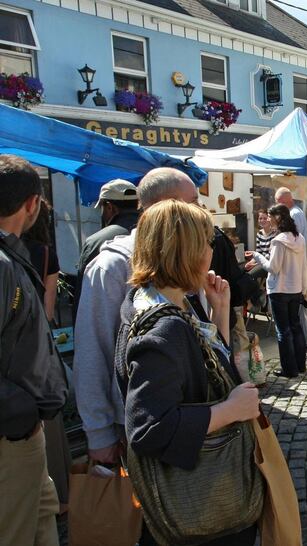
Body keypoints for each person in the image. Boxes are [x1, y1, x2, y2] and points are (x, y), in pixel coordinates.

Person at [115, 199, 261, 545]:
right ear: (187, 251)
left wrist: (219, 312)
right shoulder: (163, 325)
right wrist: (229, 411)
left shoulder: (159, 300)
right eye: (206, 243)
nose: (211, 251)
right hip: (199, 505)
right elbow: (149, 429)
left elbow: (206, 369)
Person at [73, 167, 200, 464]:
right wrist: (99, 433)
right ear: (166, 205)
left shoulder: (186, 258)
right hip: (137, 427)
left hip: (185, 416)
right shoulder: (112, 266)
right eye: (193, 203)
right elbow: (93, 350)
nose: (200, 211)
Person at [0, 154, 67, 546]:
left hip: (24, 430)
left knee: (43, 520)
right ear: (31, 204)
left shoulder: (12, 254)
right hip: (11, 434)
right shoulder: (3, 264)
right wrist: (17, 412)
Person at [21, 198, 72, 514]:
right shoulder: (44, 255)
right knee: (48, 430)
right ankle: (59, 498)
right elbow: (48, 312)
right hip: (38, 353)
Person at [246, 204, 307, 378]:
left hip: (279, 290)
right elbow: (304, 266)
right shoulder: (299, 238)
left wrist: (257, 256)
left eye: (271, 217)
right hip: (295, 289)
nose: (269, 220)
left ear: (278, 218)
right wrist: (304, 288)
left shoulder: (278, 240)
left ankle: (289, 369)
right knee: (295, 327)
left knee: (284, 331)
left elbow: (273, 268)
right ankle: (300, 365)